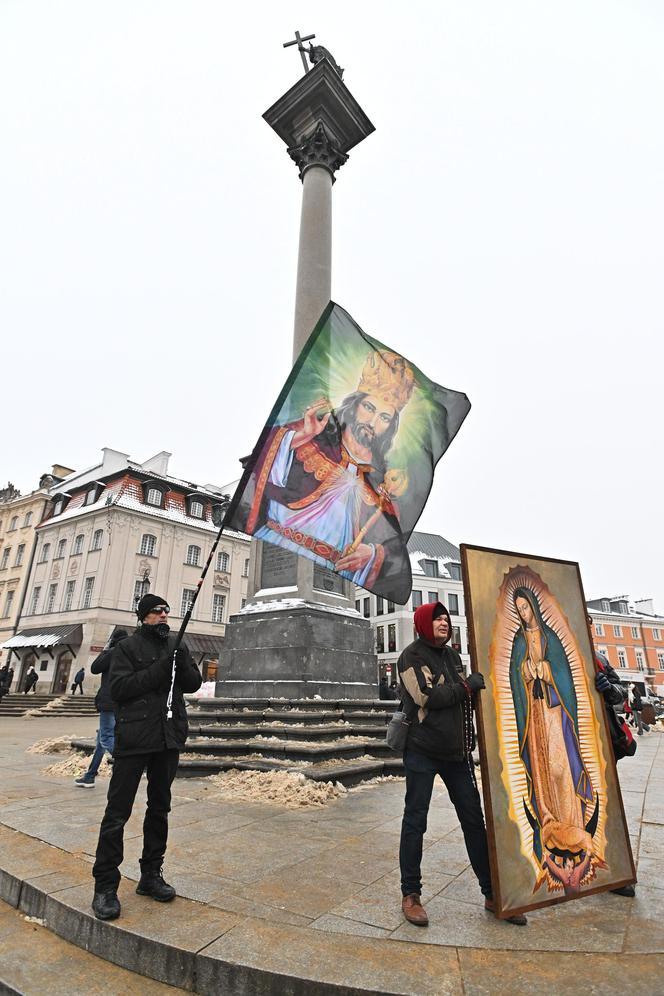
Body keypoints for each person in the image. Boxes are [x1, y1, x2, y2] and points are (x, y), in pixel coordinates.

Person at [397, 601, 527, 928]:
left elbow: (460, 697)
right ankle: (410, 893)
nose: (444, 621)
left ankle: (491, 892)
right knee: (416, 819)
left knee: (473, 819)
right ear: (423, 623)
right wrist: (466, 686)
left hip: (457, 754)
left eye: (446, 617)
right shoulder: (411, 656)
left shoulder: (453, 657)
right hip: (422, 750)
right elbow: (426, 696)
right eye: (437, 618)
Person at [245, 350, 415, 594]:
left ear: (390, 427)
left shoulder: (382, 480)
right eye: (369, 407)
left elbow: (393, 542)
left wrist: (373, 553)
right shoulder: (313, 436)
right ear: (355, 405)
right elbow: (260, 470)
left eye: (385, 417)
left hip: (336, 571)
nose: (373, 421)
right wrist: (299, 438)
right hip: (281, 544)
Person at [91, 594, 202, 921]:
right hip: (135, 738)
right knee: (117, 812)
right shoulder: (126, 649)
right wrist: (159, 670)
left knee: (160, 809)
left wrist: (180, 660)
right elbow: (121, 689)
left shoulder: (176, 645)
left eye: (166, 611)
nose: (164, 615)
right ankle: (105, 885)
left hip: (167, 737)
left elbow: (193, 684)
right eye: (156, 611)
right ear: (143, 617)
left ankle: (151, 874)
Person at [509, 588, 596, 885]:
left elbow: (564, 673)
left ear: (533, 606)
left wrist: (545, 669)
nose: (523, 613)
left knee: (560, 766)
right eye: (518, 609)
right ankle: (548, 819)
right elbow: (513, 674)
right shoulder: (519, 642)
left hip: (554, 710)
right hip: (534, 714)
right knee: (542, 769)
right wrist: (524, 671)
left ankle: (572, 821)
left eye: (526, 607)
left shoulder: (551, 638)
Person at [592, 643, 636, 898]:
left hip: (601, 740)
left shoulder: (599, 658)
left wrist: (610, 690)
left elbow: (620, 693)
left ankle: (615, 871)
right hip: (565, 739)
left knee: (607, 805)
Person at [74, 629, 128, 788]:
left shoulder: (112, 652)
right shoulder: (129, 653)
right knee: (101, 741)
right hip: (122, 702)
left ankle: (126, 763)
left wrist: (106, 649)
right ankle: (90, 775)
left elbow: (95, 668)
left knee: (105, 738)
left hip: (109, 701)